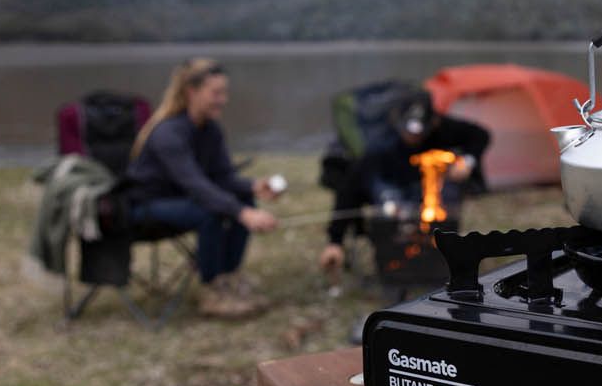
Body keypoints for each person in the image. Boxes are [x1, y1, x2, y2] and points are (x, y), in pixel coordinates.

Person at [124, 58, 279, 317]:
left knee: (239, 199)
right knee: (213, 211)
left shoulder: (211, 130)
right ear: (191, 92)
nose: (223, 100)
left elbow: (222, 178)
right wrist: (243, 214)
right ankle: (212, 289)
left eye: (224, 92)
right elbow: (195, 184)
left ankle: (228, 278)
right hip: (144, 207)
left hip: (183, 201)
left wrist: (253, 186)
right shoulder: (168, 133)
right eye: (216, 93)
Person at [319, 89, 490, 273]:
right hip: (391, 198)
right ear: (396, 120)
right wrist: (335, 242)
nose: (413, 137)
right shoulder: (379, 146)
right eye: (407, 130)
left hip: (432, 198)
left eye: (420, 131)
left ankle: (440, 256)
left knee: (448, 194)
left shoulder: (443, 129)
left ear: (433, 122)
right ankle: (396, 264)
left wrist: (468, 161)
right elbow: (348, 191)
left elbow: (481, 135)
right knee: (386, 203)